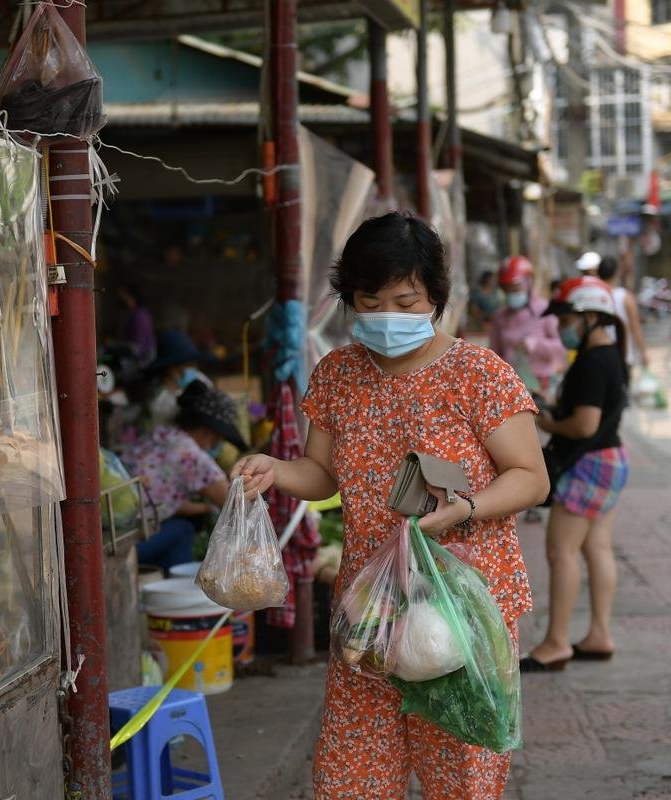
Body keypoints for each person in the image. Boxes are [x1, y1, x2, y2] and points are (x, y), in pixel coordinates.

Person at [234, 212, 548, 799]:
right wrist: (274, 470)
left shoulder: (479, 374)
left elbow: (531, 477)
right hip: (369, 606)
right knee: (353, 773)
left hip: (461, 605)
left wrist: (468, 506)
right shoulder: (338, 374)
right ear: (349, 300)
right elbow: (322, 476)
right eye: (370, 301)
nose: (388, 317)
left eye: (406, 302)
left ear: (435, 297)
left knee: (461, 774)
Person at [523, 276, 630, 672]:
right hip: (611, 457)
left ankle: (555, 643)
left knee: (560, 551)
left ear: (587, 316)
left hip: (590, 461)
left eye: (567, 318)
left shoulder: (590, 361)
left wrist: (547, 423)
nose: (563, 327)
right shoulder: (612, 353)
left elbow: (584, 425)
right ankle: (599, 633)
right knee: (597, 546)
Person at [123, 381, 243, 572]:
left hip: (119, 529)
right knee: (182, 531)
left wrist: (205, 507)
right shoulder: (190, 455)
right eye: (218, 439)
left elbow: (163, 500)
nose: (215, 446)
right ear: (207, 432)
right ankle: (176, 588)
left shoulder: (160, 435)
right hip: (128, 541)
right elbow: (235, 503)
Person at [489, 255, 566, 399]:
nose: (511, 294)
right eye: (507, 289)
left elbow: (561, 348)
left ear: (529, 283)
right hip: (510, 387)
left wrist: (536, 345)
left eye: (515, 288)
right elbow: (493, 355)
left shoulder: (545, 311)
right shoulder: (500, 317)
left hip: (542, 386)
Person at [143, 330, 212, 429]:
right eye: (187, 365)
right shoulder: (159, 398)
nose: (192, 369)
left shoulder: (200, 379)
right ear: (171, 369)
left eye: (193, 364)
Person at [598, 254, 648, 368]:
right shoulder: (625, 297)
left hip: (598, 356)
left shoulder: (594, 295)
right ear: (616, 273)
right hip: (622, 356)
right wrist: (643, 352)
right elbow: (635, 327)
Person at [116, 284, 156, 366]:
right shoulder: (135, 315)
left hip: (142, 364)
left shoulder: (140, 317)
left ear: (133, 298)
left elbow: (136, 347)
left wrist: (112, 347)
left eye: (124, 297)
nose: (121, 301)